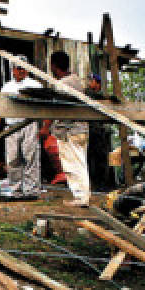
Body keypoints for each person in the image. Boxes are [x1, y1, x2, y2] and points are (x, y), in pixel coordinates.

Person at [45, 51, 91, 206]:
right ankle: (82, 196)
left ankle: (81, 198)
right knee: (80, 163)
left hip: (71, 130)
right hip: (80, 128)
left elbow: (56, 108)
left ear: (53, 65)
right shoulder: (77, 81)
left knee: (74, 165)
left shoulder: (63, 84)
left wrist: (48, 126)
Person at [0, 57, 43, 198]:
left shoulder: (35, 85)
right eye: (18, 68)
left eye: (23, 68)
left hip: (29, 124)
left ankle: (31, 191)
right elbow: (0, 108)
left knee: (31, 157)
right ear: (13, 70)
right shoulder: (6, 87)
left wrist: (41, 126)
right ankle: (15, 190)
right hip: (11, 126)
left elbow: (43, 107)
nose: (21, 71)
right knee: (12, 159)